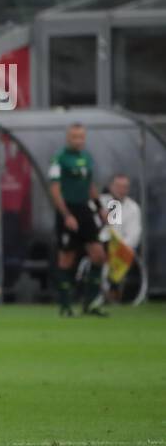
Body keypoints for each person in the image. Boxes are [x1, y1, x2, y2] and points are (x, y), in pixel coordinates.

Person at [49, 123, 107, 316]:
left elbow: (90, 185)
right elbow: (55, 190)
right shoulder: (59, 159)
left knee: (99, 255)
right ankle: (65, 306)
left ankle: (91, 303)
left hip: (84, 210)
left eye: (81, 137)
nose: (78, 140)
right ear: (68, 138)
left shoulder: (87, 158)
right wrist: (66, 215)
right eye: (74, 137)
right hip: (68, 210)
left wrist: (100, 208)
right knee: (66, 259)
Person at [99, 173, 141, 304]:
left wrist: (120, 247)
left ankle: (114, 292)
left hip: (123, 249)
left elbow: (134, 233)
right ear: (111, 186)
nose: (121, 190)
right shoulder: (101, 202)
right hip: (101, 245)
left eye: (125, 187)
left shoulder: (133, 207)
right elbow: (107, 230)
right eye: (118, 186)